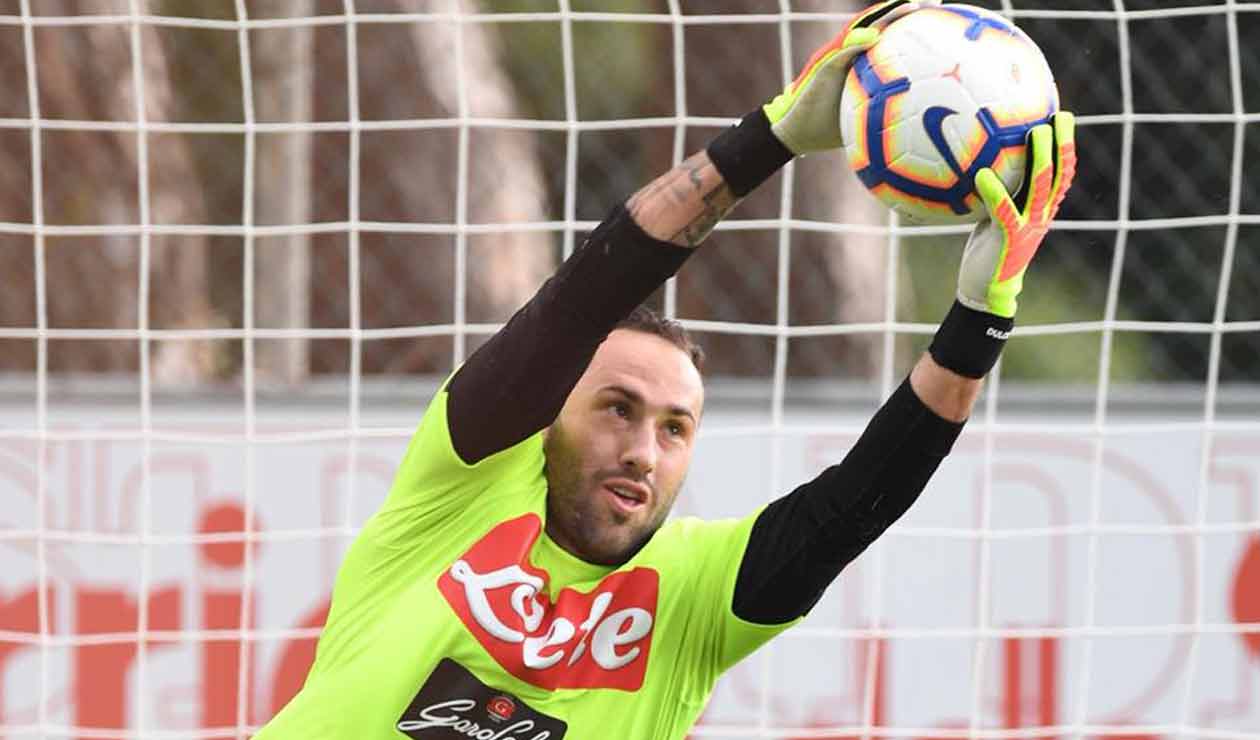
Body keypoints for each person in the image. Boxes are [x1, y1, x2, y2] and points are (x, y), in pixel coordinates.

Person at [257, 0, 1076, 737]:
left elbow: (861, 499)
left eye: (675, 427)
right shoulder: (463, 486)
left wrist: (979, 318)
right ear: (551, 412)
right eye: (618, 407)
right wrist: (776, 137)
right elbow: (584, 296)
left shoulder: (691, 596)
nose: (644, 450)